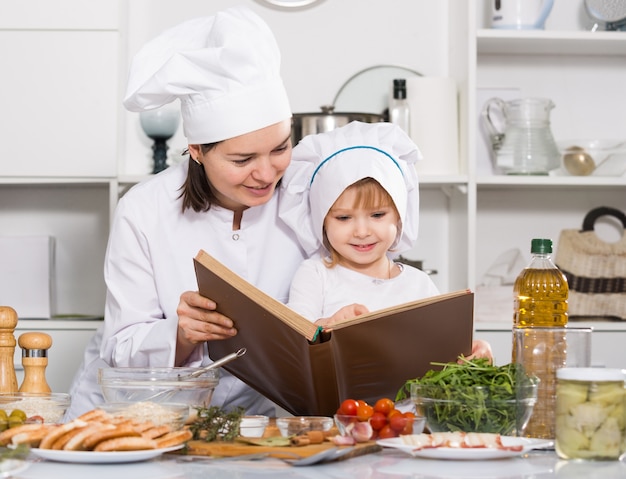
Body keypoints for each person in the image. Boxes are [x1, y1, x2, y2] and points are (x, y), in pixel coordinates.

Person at [65, 6, 306, 419]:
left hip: (258, 426)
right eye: (243, 158)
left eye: (281, 148)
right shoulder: (143, 210)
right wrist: (179, 334)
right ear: (196, 150)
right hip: (146, 415)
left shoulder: (308, 194)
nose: (266, 173)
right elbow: (120, 347)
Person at [280, 121, 493, 360]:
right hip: (341, 399)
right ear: (322, 222)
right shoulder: (315, 275)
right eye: (343, 217)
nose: (362, 231)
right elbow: (293, 340)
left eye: (377, 215)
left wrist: (474, 352)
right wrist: (328, 325)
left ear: (400, 217)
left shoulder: (419, 286)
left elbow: (444, 351)